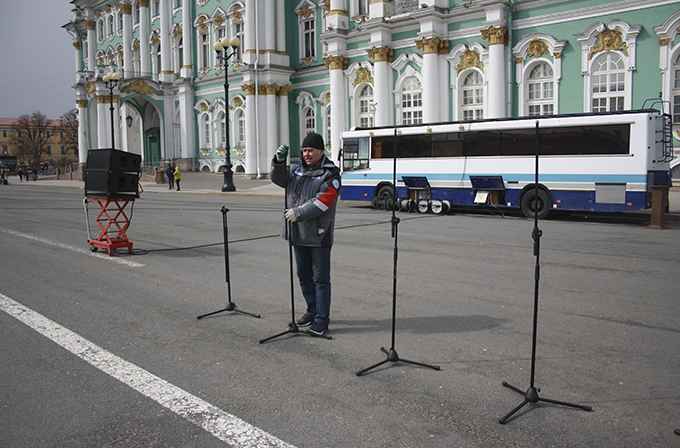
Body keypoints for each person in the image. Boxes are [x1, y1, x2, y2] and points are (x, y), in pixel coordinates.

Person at [270, 132, 341, 336]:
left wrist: (298, 212)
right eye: (304, 150)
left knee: (320, 280)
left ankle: (321, 320)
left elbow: (324, 201)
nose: (306, 154)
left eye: (310, 150)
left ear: (321, 151)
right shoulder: (295, 170)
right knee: (304, 277)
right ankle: (311, 311)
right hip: (297, 234)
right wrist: (278, 161)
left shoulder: (331, 174)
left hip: (319, 235)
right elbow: (278, 178)